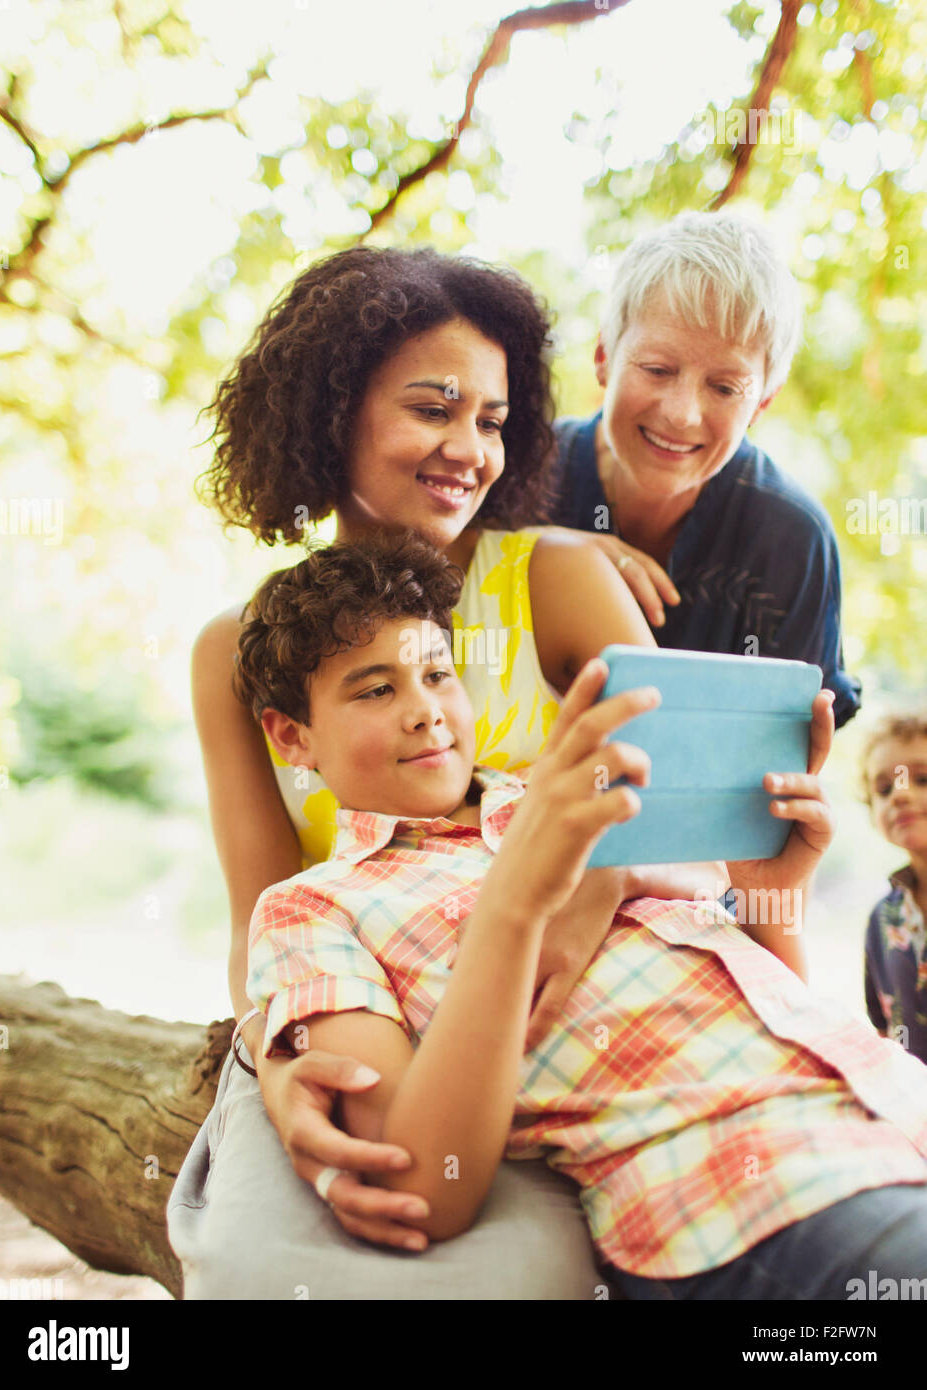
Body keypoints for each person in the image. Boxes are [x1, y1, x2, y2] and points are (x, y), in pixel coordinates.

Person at [170, 245, 723, 1299]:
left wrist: (577, 897)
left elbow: (680, 798)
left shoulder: (555, 579)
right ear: (330, 414)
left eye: (491, 418)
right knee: (270, 1267)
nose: (468, 447)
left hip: (558, 1023)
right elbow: (261, 928)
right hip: (358, 1030)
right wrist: (283, 1068)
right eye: (433, 409)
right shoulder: (238, 650)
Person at [239, 531, 927, 1300]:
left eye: (438, 674)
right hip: (744, 1192)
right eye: (375, 690)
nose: (425, 712)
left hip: (893, 1106)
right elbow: (422, 1185)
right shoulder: (311, 907)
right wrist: (515, 905)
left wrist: (772, 890)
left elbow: (762, 1007)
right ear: (292, 736)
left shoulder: (571, 797)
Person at [548, 210, 861, 729]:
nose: (681, 413)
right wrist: (552, 549)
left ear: (761, 404)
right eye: (657, 369)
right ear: (604, 356)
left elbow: (785, 752)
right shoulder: (517, 475)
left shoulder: (791, 540)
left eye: (724, 388)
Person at [861, 713, 927, 1062]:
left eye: (922, 779)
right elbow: (883, 1026)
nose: (899, 796)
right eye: (884, 789)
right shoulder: (881, 919)